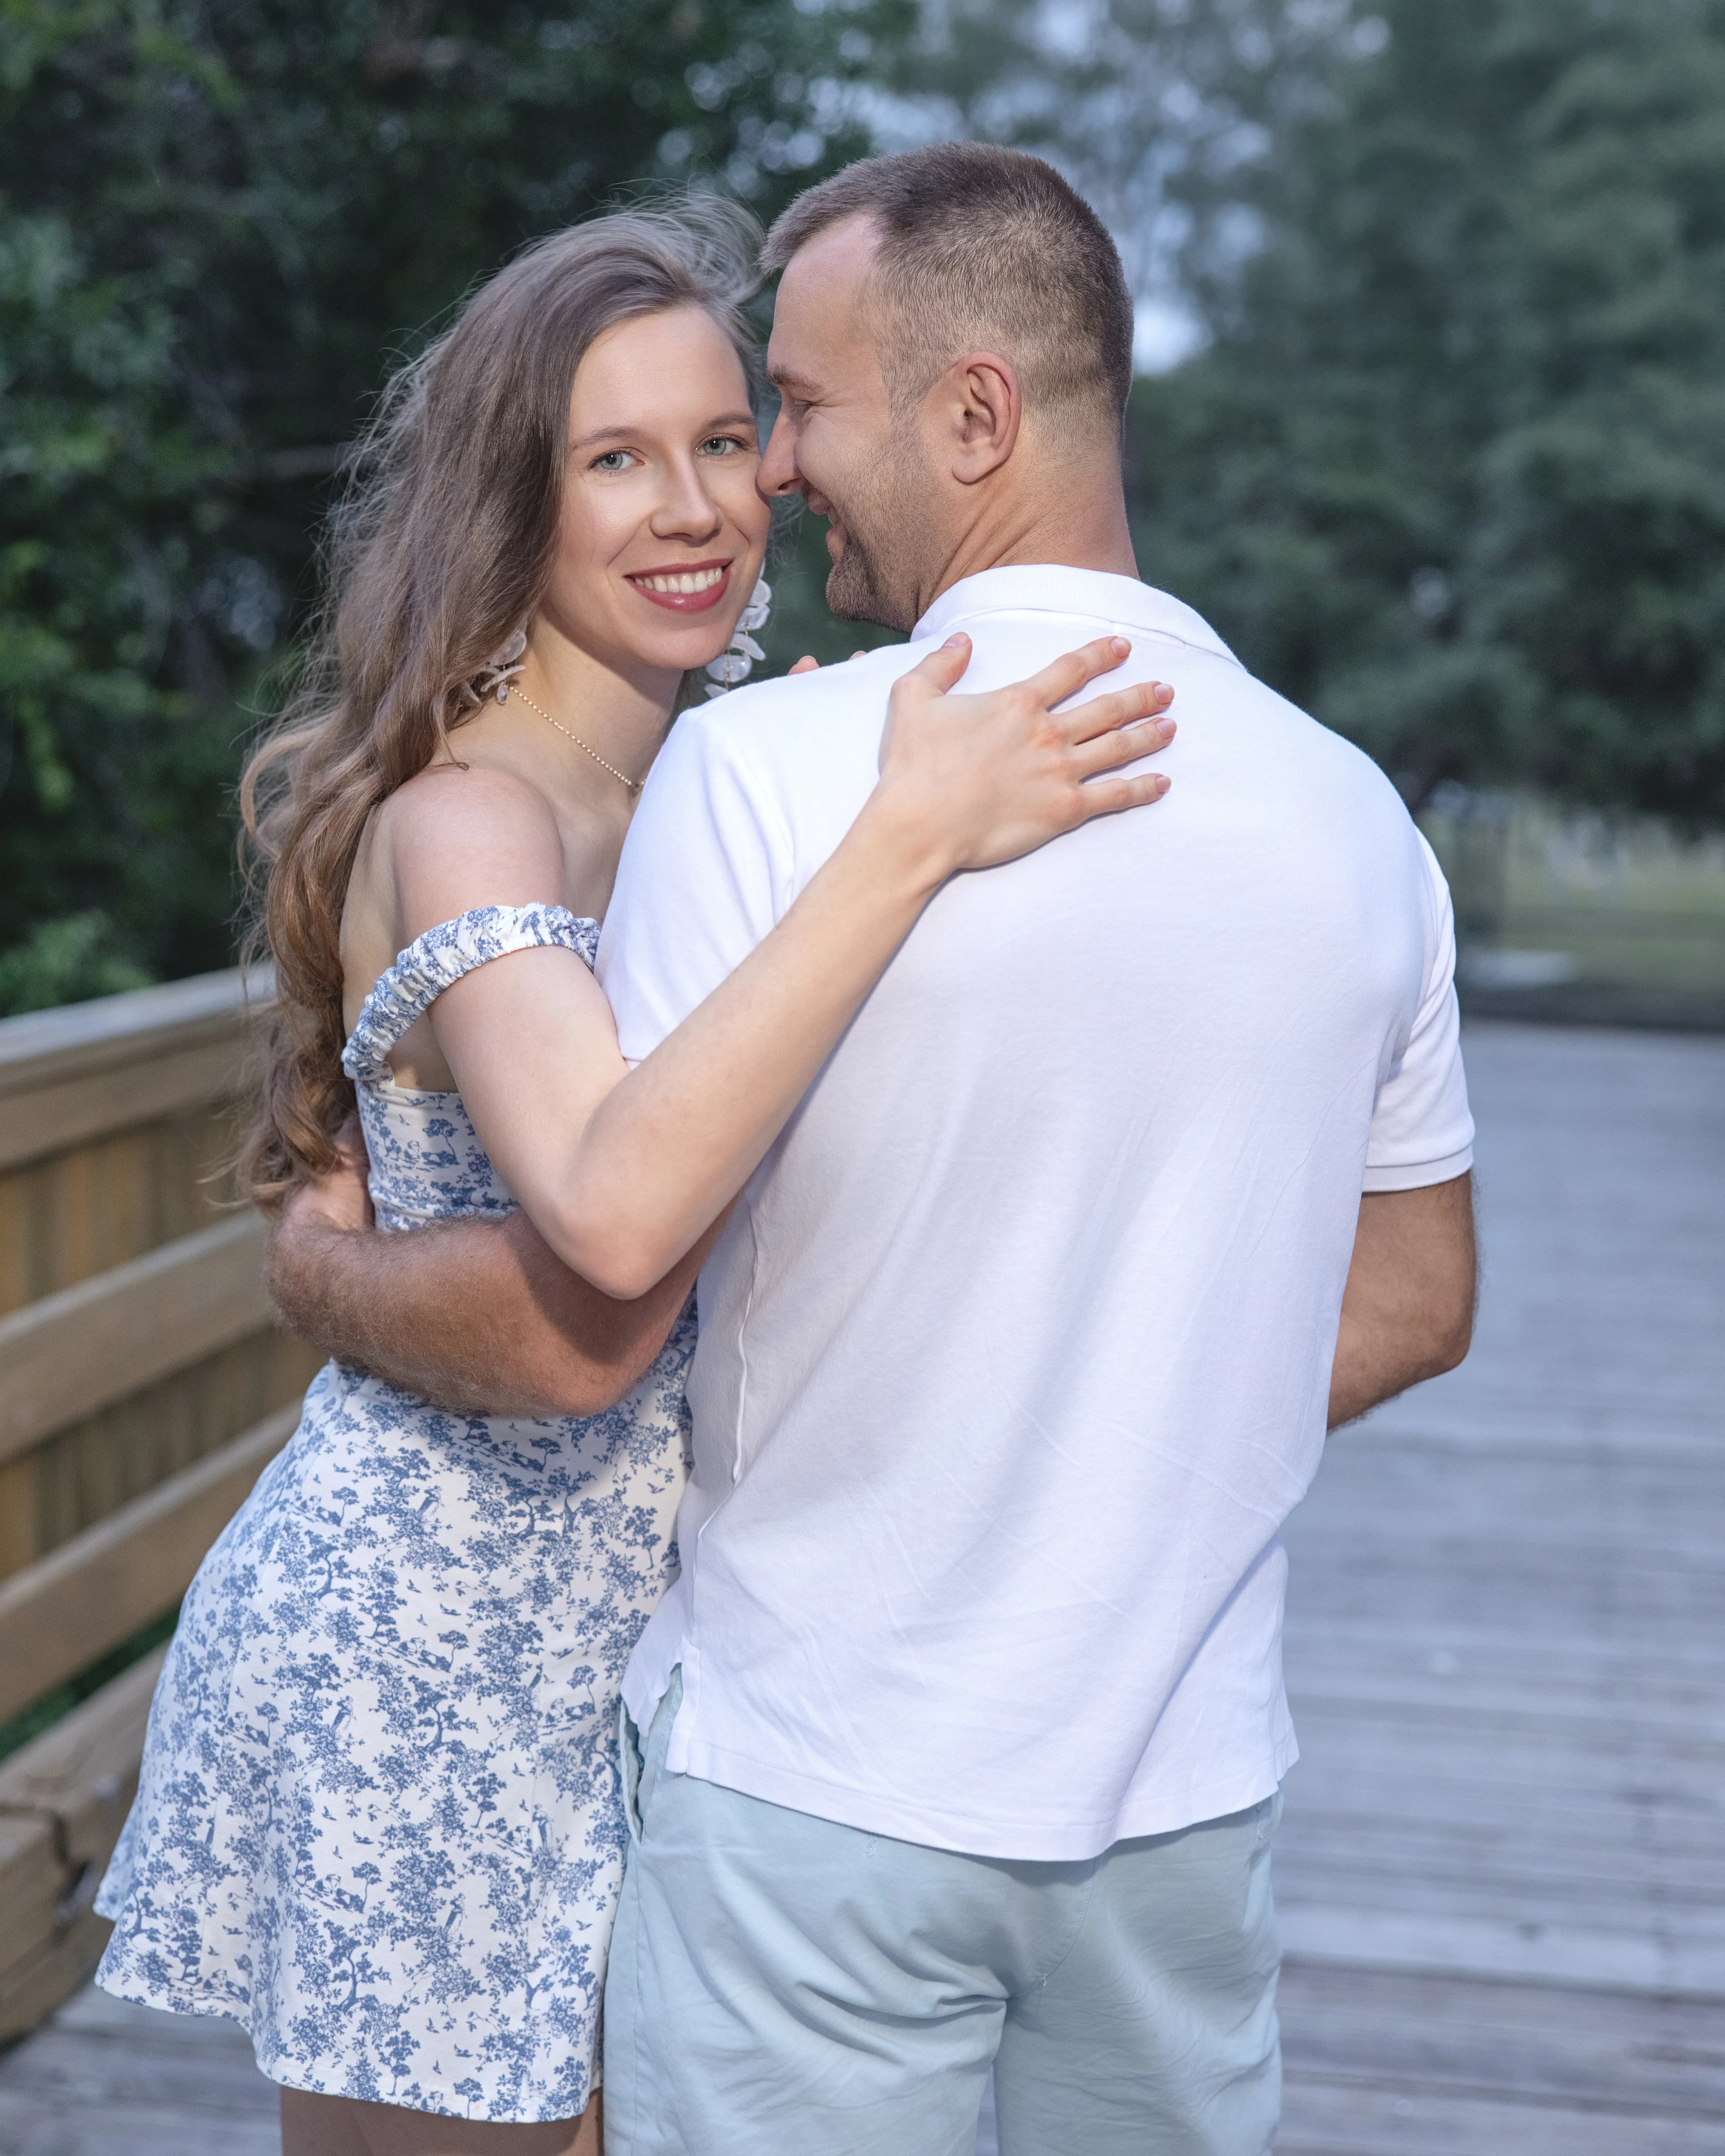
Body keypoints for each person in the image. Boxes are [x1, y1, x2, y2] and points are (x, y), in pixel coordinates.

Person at [271, 146, 1479, 2156]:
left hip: (799, 1756)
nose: (761, 480)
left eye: (779, 415)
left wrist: (315, 1267)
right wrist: (1115, 1445)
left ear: (976, 414)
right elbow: (1420, 1299)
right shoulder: (1357, 812)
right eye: (624, 457)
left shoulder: (756, 769)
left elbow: (606, 1271)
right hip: (1142, 1767)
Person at [91, 198, 1178, 2156]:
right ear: (513, 500)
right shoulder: (470, 817)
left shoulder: (730, 782)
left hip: (678, 1665)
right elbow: (601, 1254)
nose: (696, 507)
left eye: (725, 439)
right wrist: (908, 836)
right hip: (437, 1647)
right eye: (615, 459)